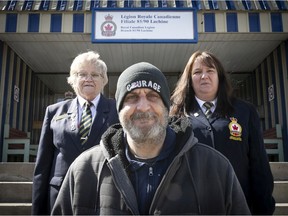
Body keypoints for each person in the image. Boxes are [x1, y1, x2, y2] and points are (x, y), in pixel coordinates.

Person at [51, 62, 250, 215]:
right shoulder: (83, 170)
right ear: (119, 109)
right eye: (132, 97)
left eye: (153, 96)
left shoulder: (215, 168)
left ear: (167, 107)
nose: (143, 106)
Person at [170, 51, 275, 215]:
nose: (204, 76)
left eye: (210, 71)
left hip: (238, 206)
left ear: (219, 76)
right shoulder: (176, 116)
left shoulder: (245, 111)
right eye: (197, 72)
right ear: (189, 80)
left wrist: (264, 208)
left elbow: (259, 164)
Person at [32, 51, 119, 215]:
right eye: (82, 74)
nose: (88, 78)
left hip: (103, 195)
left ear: (103, 80)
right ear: (73, 80)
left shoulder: (117, 111)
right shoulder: (54, 112)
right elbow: (43, 165)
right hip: (60, 196)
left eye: (95, 74)